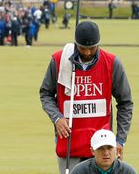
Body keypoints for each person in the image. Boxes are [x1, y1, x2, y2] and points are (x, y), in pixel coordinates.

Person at [40, 21, 133, 174]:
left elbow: (126, 102)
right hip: (69, 143)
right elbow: (45, 93)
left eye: (92, 48)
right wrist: (57, 118)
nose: (88, 52)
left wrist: (120, 139)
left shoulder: (111, 63)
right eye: (83, 48)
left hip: (101, 146)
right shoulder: (58, 60)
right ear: (76, 44)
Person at [71, 129, 137, 174]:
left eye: (109, 148)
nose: (106, 153)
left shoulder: (128, 171)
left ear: (116, 150)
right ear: (92, 151)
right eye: (100, 148)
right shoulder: (79, 171)